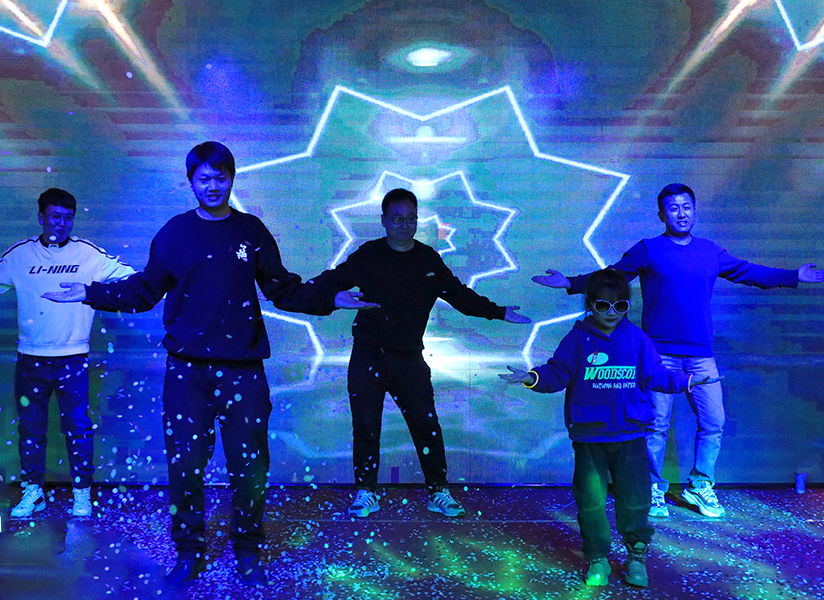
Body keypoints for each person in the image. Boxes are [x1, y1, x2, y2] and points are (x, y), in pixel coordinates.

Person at [42, 141, 365, 588]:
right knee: (185, 467)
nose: (213, 186)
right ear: (191, 182)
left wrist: (330, 297)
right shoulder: (175, 233)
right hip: (187, 373)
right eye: (204, 179)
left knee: (250, 467)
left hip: (243, 372)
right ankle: (189, 552)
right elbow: (144, 290)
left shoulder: (251, 231)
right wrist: (89, 292)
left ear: (232, 178)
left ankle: (248, 550)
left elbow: (283, 288)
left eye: (221, 177)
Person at [532, 183, 824, 519]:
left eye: (687, 207)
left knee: (714, 423)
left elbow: (750, 272)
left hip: (702, 357)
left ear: (695, 210)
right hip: (659, 356)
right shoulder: (649, 249)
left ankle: (700, 486)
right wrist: (571, 282)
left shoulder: (710, 251)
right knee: (655, 426)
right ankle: (653, 488)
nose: (681, 213)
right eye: (673, 208)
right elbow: (612, 276)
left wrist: (794, 276)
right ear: (661, 215)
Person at [308, 188, 531, 519]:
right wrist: (295, 292)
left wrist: (499, 312)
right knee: (366, 426)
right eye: (397, 219)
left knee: (426, 425)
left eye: (411, 219)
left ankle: (438, 491)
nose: (405, 225)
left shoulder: (428, 259)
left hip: (408, 357)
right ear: (384, 221)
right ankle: (366, 491)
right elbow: (333, 280)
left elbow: (460, 296)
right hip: (368, 355)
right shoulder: (369, 255)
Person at [0, 188, 134, 519]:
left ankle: (82, 493)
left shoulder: (88, 254)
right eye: (55, 216)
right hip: (31, 361)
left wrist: (171, 284)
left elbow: (133, 280)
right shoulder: (20, 256)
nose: (61, 223)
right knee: (31, 430)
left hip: (73, 360)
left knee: (78, 428)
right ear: (41, 218)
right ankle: (33, 492)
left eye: (68, 218)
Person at [501, 269, 719, 587]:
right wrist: (531, 377)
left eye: (620, 306)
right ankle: (597, 558)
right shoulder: (577, 340)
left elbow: (657, 375)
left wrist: (687, 381)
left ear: (627, 306)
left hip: (630, 436)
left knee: (636, 500)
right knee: (590, 501)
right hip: (589, 437)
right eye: (603, 305)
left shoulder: (637, 339)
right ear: (590, 304)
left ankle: (636, 556)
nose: (612, 312)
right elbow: (557, 373)